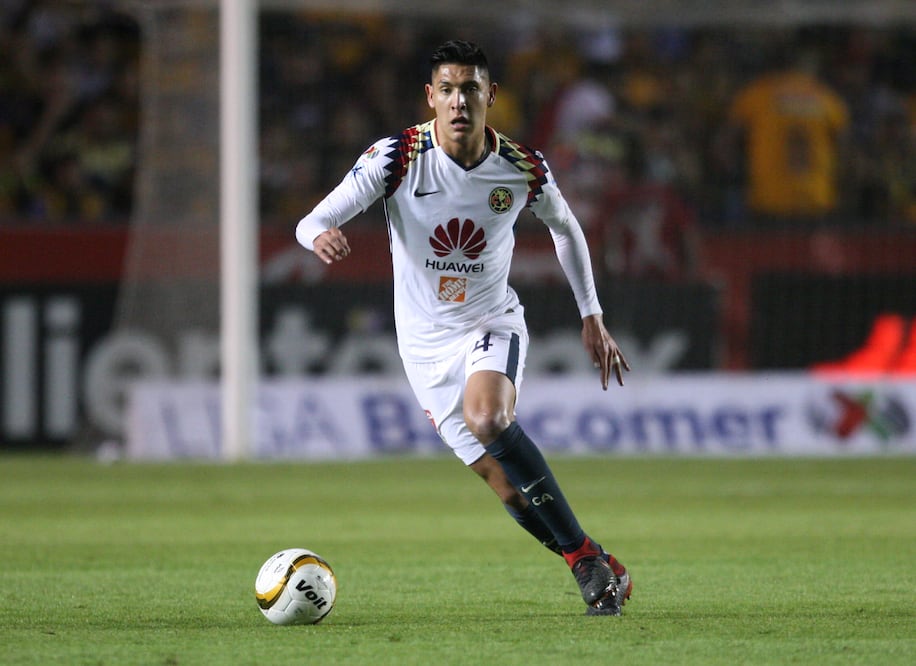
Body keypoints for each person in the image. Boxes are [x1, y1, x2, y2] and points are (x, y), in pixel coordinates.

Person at [296, 40, 632, 616]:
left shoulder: (522, 166)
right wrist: (318, 236)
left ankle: (584, 566)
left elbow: (567, 230)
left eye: (470, 89)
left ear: (490, 97)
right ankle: (592, 555)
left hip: (490, 323)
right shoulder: (396, 158)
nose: (458, 102)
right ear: (430, 98)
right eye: (447, 90)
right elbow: (313, 219)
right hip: (423, 348)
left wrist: (592, 314)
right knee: (504, 484)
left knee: (489, 418)